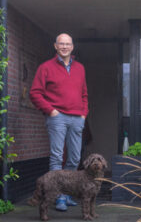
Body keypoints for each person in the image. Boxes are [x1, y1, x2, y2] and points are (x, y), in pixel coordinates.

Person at [30, 33, 88, 211]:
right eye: (61, 44)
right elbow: (35, 93)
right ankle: (57, 197)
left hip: (77, 117)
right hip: (58, 117)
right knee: (56, 157)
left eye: (68, 44)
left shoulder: (80, 68)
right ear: (55, 46)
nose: (64, 47)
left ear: (72, 46)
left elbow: (84, 94)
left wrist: (83, 113)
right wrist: (51, 111)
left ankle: (66, 194)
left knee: (75, 158)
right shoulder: (45, 67)